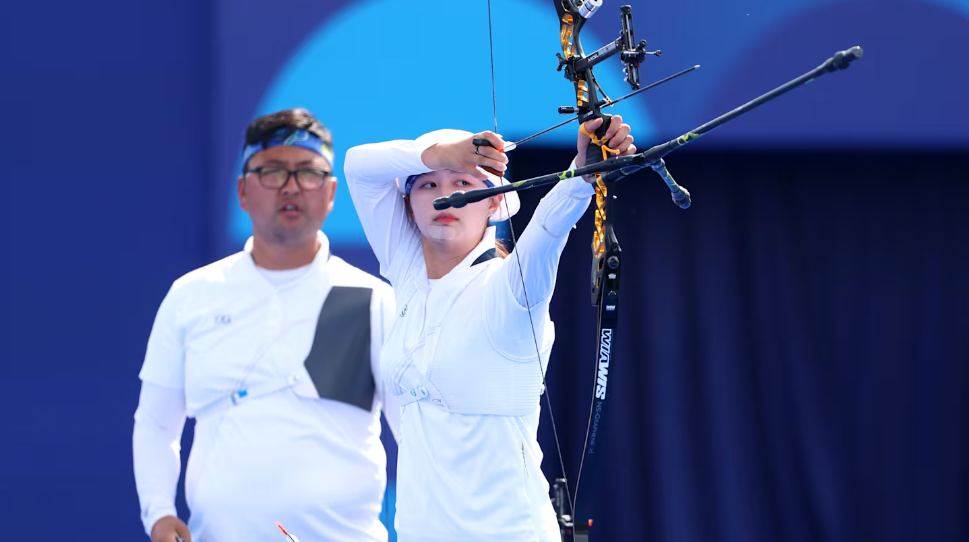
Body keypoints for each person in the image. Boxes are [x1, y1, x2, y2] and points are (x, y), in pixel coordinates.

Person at [343, 116, 636, 541]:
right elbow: (357, 166)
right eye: (428, 184)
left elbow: (548, 230)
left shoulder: (511, 288)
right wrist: (444, 155)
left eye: (463, 184)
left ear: (494, 202)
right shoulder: (406, 272)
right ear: (408, 204)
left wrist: (581, 176)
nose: (444, 196)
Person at [133, 108, 398, 542]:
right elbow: (156, 423)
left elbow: (417, 438)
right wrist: (158, 513)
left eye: (308, 173)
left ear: (331, 192)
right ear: (242, 190)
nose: (291, 187)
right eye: (272, 171)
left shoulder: (371, 299)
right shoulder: (192, 295)